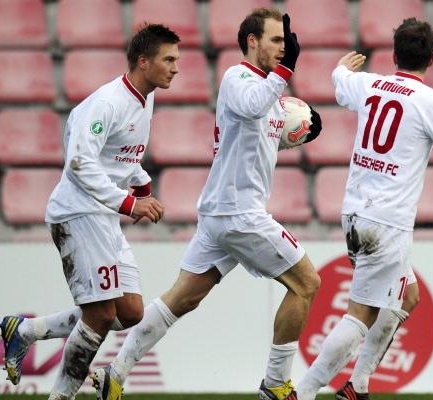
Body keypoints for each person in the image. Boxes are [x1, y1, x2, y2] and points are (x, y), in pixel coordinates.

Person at [91, 7, 322, 400]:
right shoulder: (238, 77)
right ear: (252, 42)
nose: (284, 48)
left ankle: (114, 374)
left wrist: (297, 132)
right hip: (239, 212)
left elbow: (257, 134)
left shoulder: (269, 91)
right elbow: (252, 106)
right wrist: (285, 73)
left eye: (286, 42)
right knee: (307, 283)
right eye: (276, 40)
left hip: (221, 212)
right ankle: (275, 383)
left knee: (181, 299)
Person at [296, 18, 433, 400]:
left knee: (408, 295)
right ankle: (304, 391)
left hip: (355, 214)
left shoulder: (369, 84)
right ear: (431, 59)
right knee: (360, 315)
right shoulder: (432, 103)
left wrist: (340, 68)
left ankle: (358, 385)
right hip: (388, 223)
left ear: (394, 55)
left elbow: (341, 81)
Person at [0, 23, 180, 399]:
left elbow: (122, 154)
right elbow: (80, 162)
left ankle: (25, 330)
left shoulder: (145, 99)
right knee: (99, 314)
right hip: (78, 213)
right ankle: (61, 396)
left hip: (104, 215)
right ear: (143, 61)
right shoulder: (107, 102)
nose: (175, 68)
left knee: (130, 312)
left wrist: (142, 184)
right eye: (168, 60)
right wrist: (130, 203)